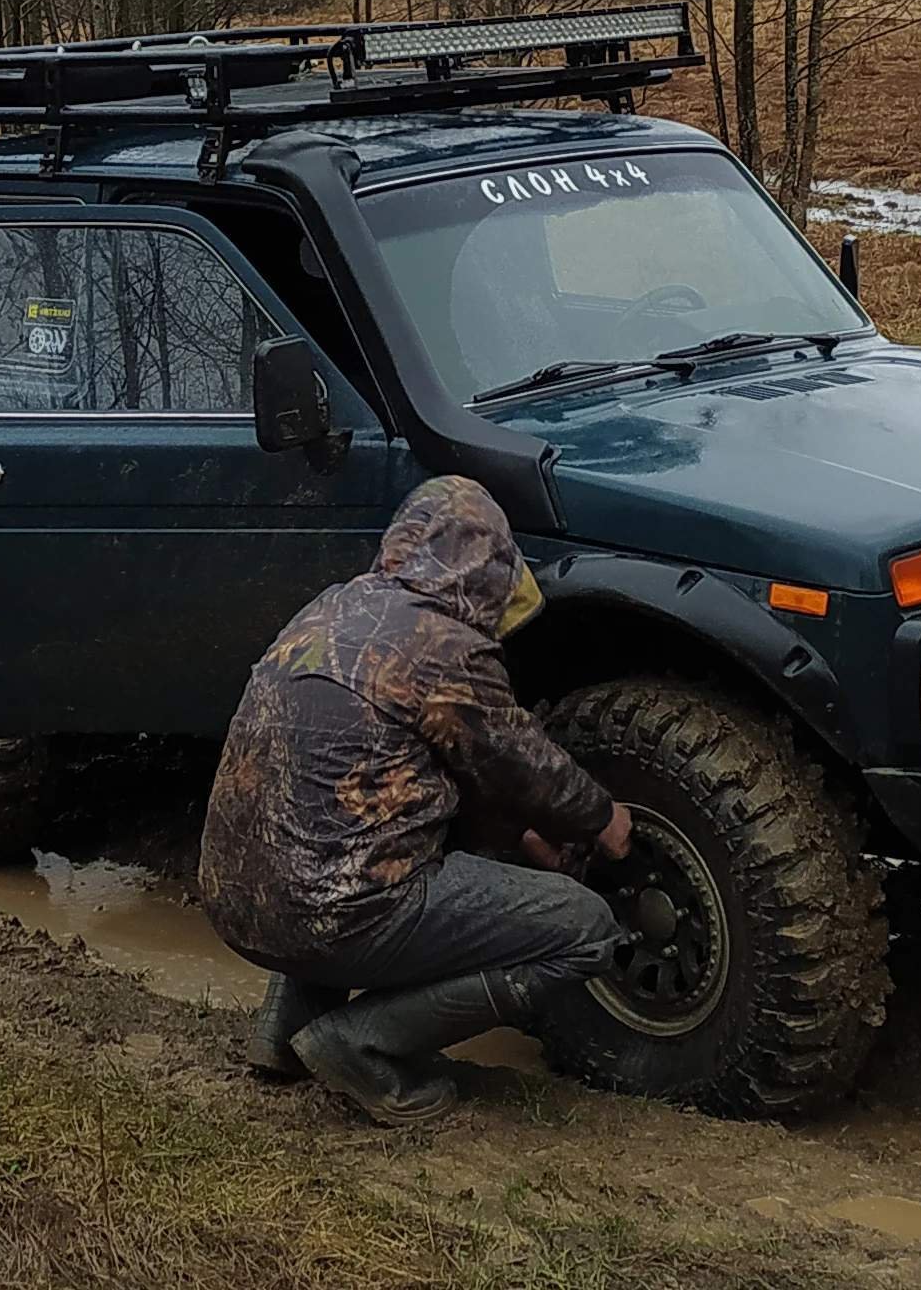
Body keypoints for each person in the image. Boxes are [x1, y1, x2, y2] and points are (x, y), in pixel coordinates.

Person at [198, 475, 632, 1124]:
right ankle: (359, 1044)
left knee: (325, 839)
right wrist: (603, 818)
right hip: (332, 917)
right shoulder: (444, 647)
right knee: (586, 930)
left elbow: (409, 775)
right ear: (486, 566)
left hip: (233, 898)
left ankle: (282, 1035)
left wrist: (517, 837)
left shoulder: (333, 608)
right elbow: (522, 764)